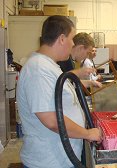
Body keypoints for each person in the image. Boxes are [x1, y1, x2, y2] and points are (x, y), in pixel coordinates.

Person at [16, 15, 102, 168]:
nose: (73, 44)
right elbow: (51, 119)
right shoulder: (38, 69)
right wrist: (87, 133)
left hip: (59, 160)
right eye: (72, 39)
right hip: (48, 162)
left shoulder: (50, 66)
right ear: (62, 39)